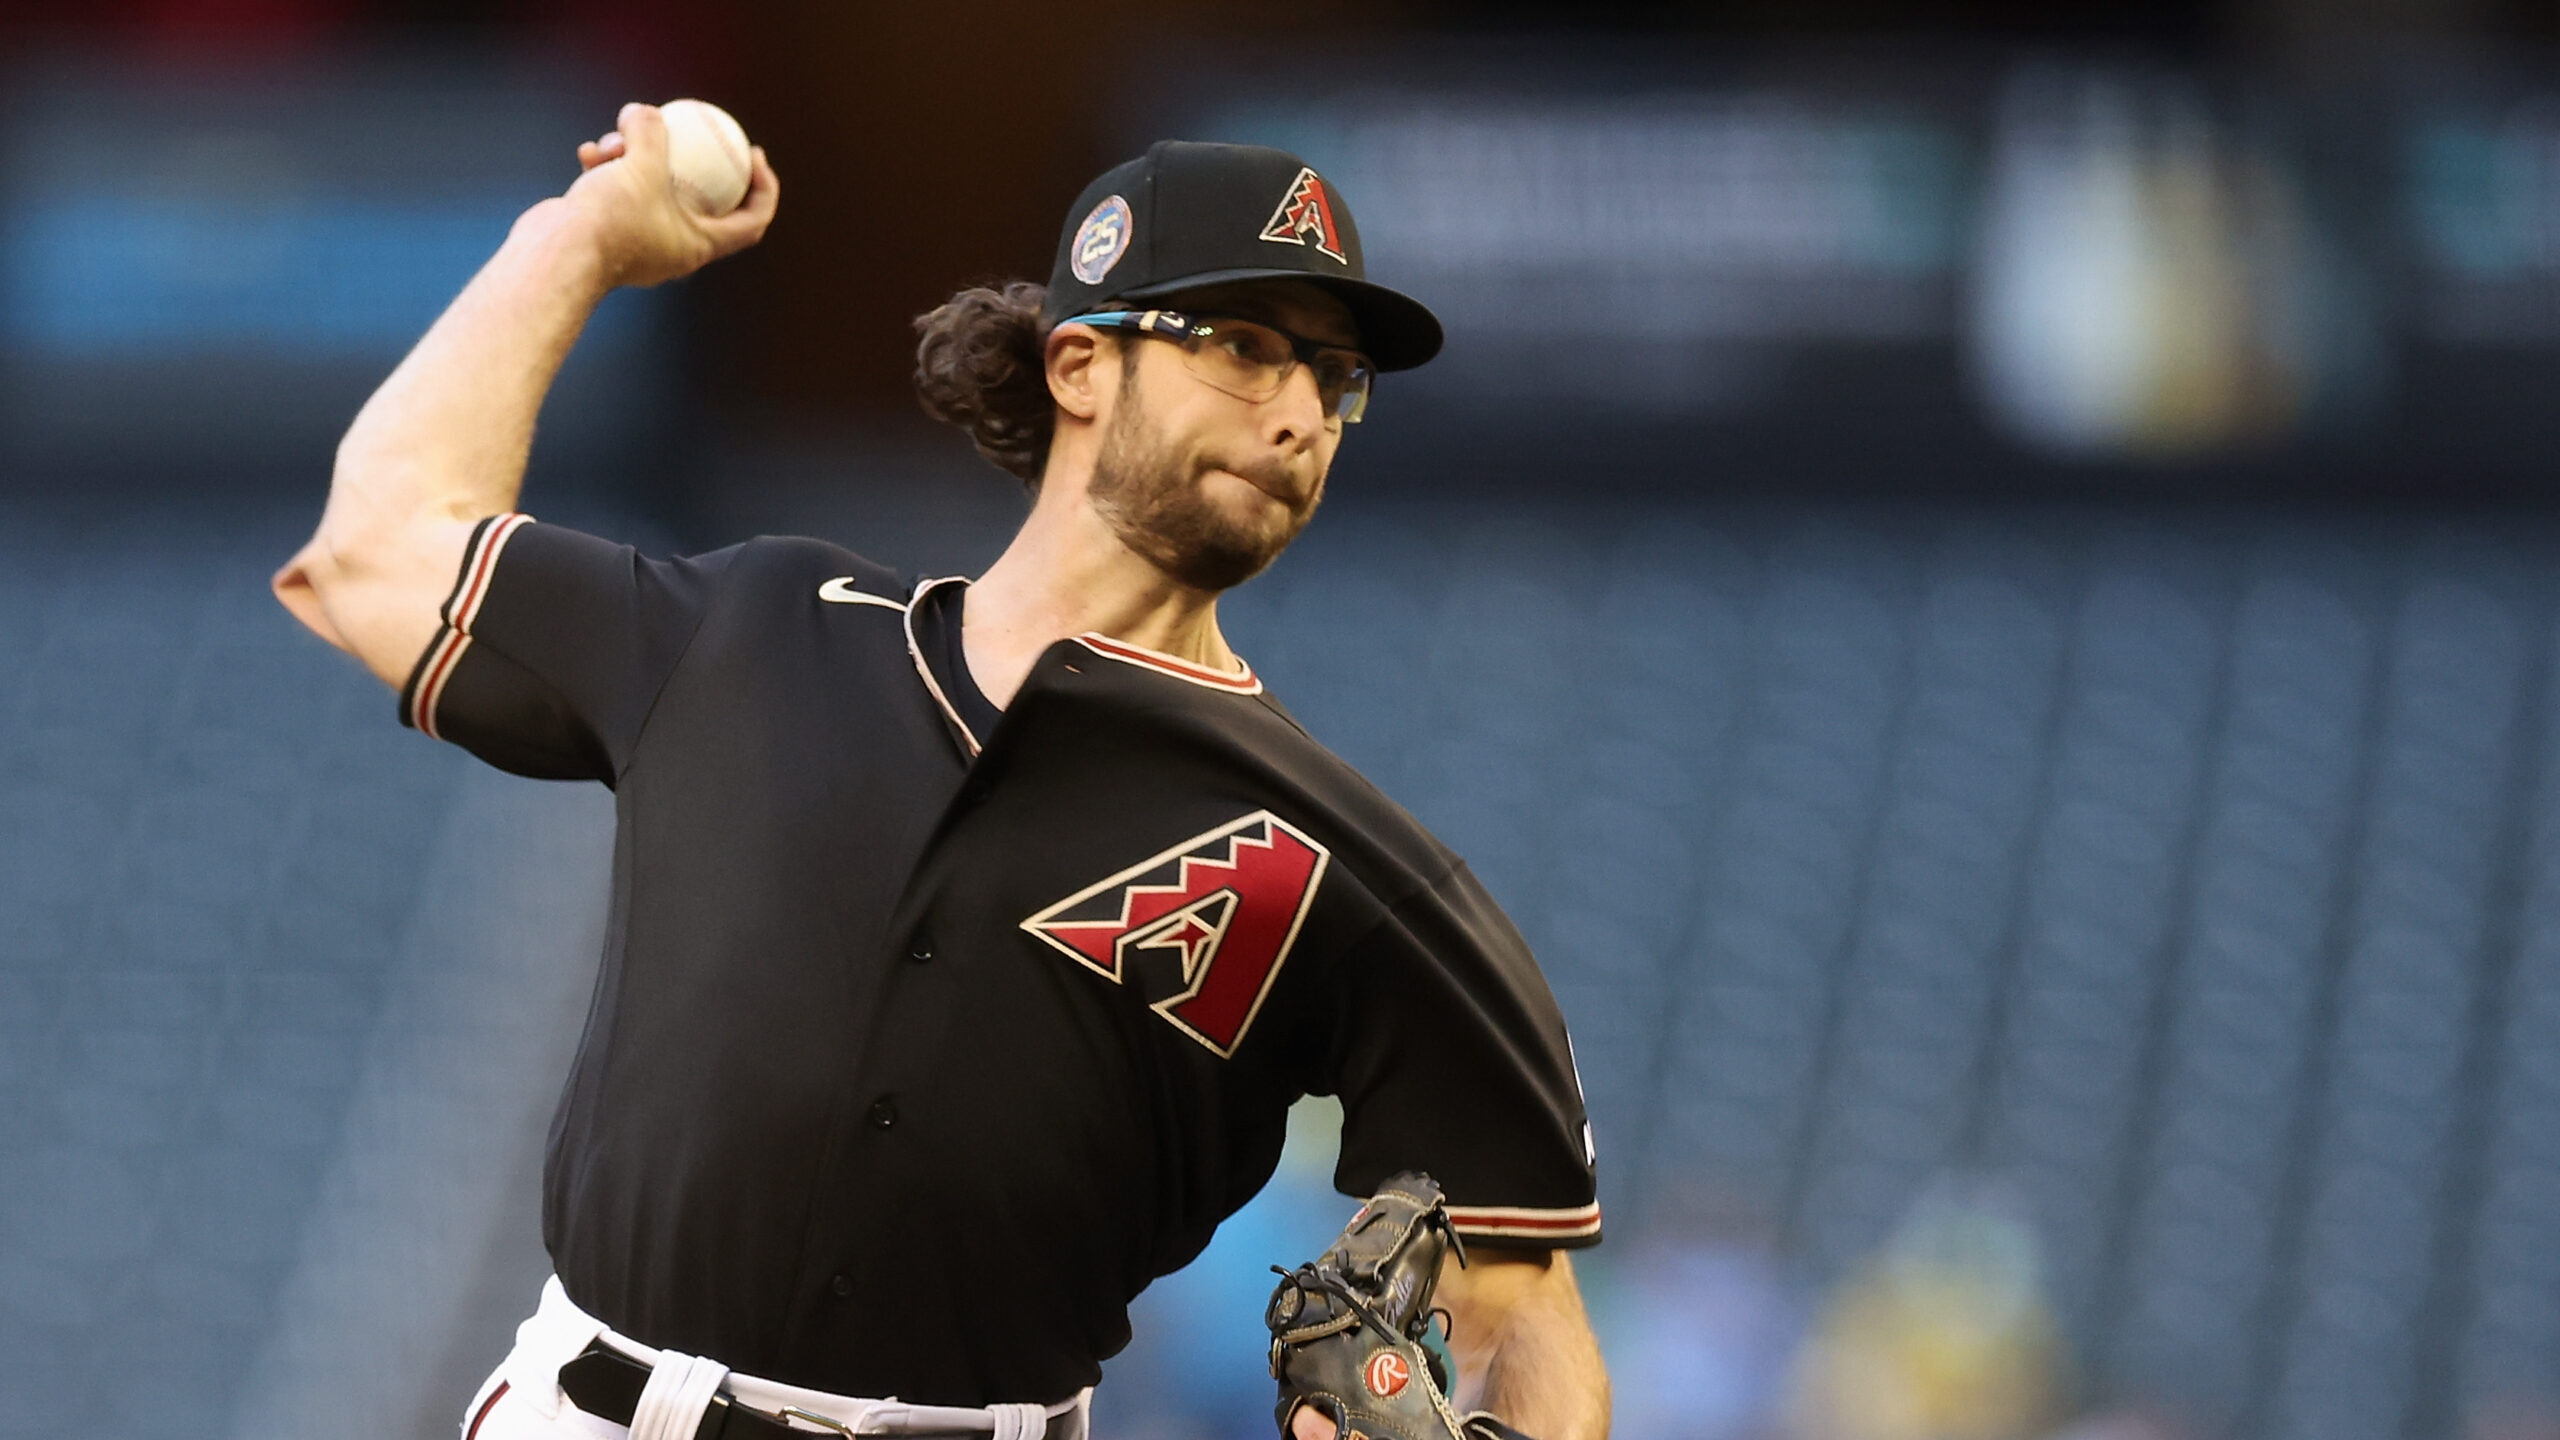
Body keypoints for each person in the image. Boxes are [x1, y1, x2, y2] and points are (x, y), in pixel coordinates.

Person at [273, 104, 1609, 1440]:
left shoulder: (1352, 864)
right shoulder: (753, 631)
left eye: (1335, 376)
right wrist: (575, 245)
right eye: (1246, 348)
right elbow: (368, 556)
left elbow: (1524, 1301)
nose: (1302, 412)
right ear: (1081, 364)